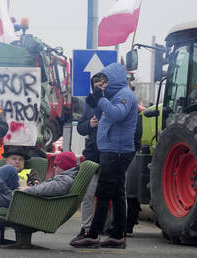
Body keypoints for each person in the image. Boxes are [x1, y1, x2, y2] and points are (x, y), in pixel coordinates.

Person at [71, 63, 138, 249]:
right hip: (111, 149)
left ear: (115, 79)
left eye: (106, 81)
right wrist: (96, 96)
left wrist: (101, 99)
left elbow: (117, 114)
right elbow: (97, 108)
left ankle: (93, 235)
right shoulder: (113, 96)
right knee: (116, 193)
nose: (104, 84)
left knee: (103, 192)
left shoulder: (125, 95)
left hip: (116, 150)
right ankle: (118, 236)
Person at [70, 74, 103, 243]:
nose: (100, 87)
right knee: (88, 193)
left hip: (111, 156)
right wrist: (89, 124)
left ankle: (117, 230)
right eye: (96, 84)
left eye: (103, 84)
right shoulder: (89, 105)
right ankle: (87, 228)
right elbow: (81, 128)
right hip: (92, 155)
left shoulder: (116, 102)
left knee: (115, 194)